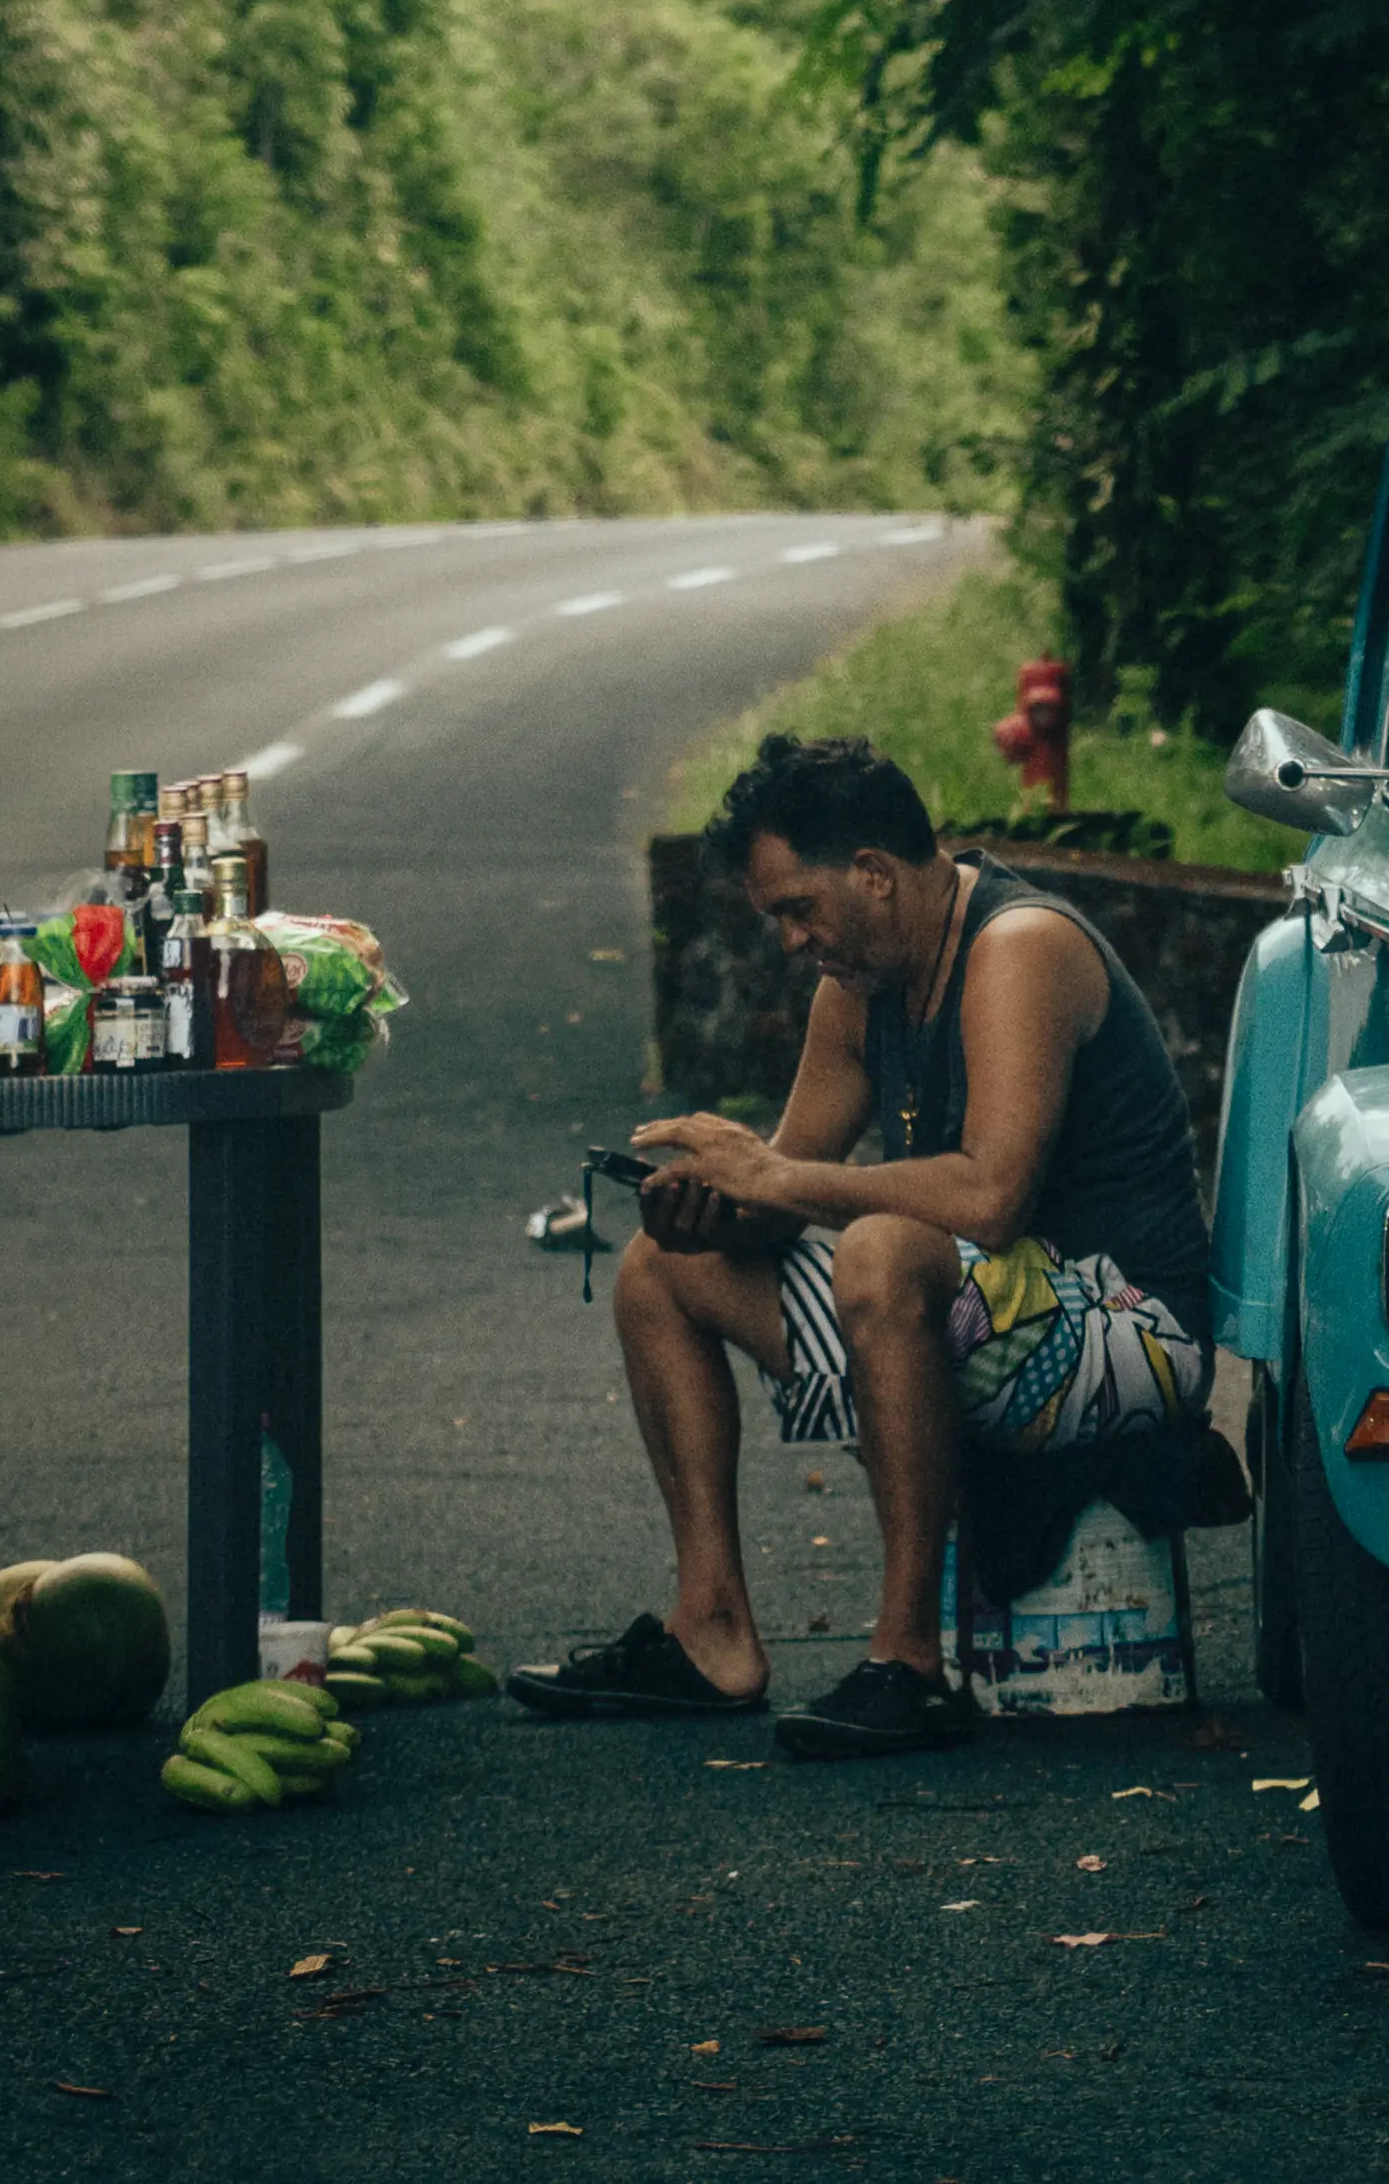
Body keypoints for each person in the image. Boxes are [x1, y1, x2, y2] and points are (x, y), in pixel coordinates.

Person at [511, 728, 1222, 1759]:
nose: (792, 941)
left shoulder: (1019, 948)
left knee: (884, 1250)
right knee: (662, 1273)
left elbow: (988, 1196)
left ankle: (908, 1665)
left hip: (1131, 1329)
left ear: (877, 874)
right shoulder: (857, 990)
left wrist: (777, 1178)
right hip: (989, 1314)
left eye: (799, 909)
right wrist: (711, 1206)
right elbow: (784, 1197)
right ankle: (710, 1634)